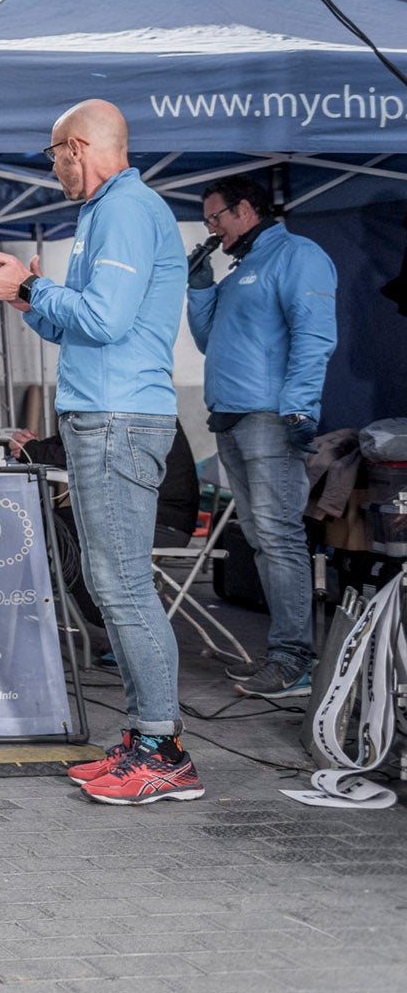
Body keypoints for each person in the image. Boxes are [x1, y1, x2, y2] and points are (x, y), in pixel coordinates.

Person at [0, 99, 197, 805]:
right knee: (110, 581)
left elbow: (105, 318)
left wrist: (33, 286)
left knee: (123, 583)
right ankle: (144, 740)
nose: (55, 171)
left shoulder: (127, 208)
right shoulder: (109, 211)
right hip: (108, 414)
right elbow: (89, 327)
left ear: (77, 147)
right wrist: (31, 302)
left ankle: (163, 750)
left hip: (120, 418)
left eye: (54, 157)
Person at [186, 175, 338, 700]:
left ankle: (293, 658)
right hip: (230, 418)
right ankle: (285, 653)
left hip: (271, 419)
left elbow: (314, 334)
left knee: (278, 539)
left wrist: (299, 407)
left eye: (215, 218)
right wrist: (201, 287)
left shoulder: (298, 256)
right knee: (261, 539)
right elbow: (210, 342)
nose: (211, 229)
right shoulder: (242, 270)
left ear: (245, 210)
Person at [14, 422, 200, 636]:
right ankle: (112, 619)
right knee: (60, 520)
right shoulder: (117, 402)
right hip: (144, 514)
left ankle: (115, 624)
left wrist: (31, 449)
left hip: (159, 522)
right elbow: (75, 442)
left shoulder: (123, 405)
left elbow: (92, 454)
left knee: (65, 527)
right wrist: (29, 446)